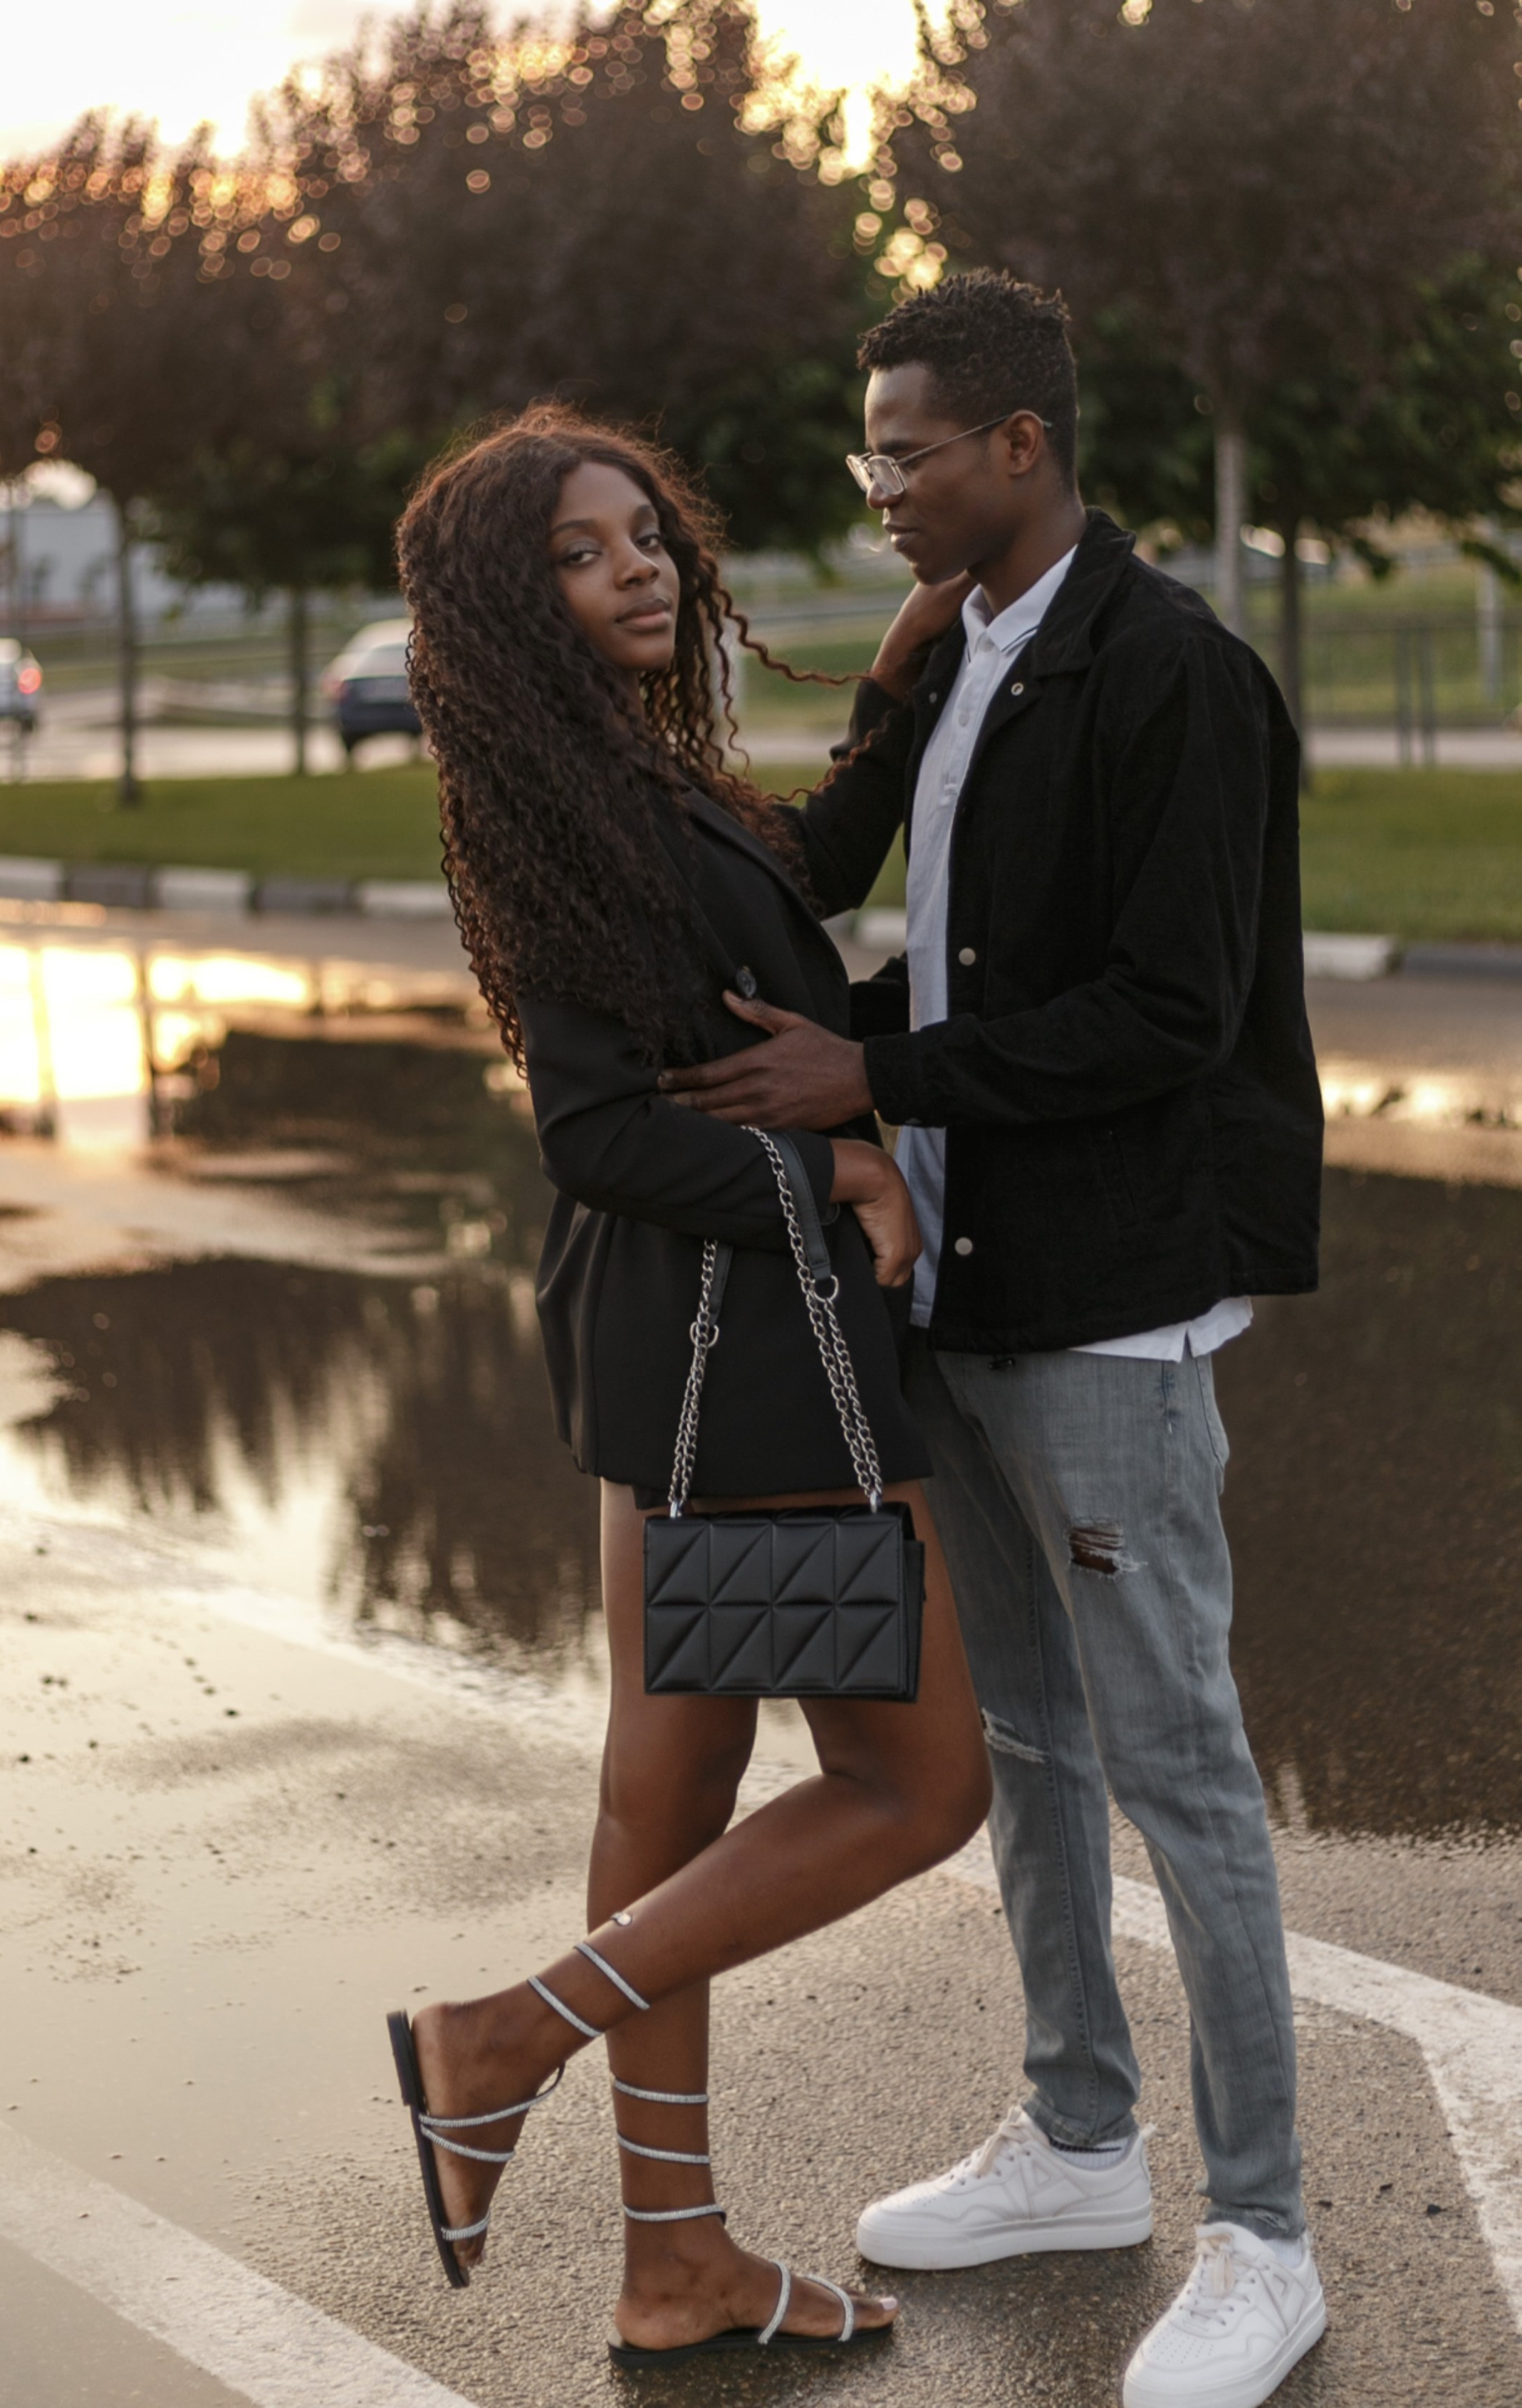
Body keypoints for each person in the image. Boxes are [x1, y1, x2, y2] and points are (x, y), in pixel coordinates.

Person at [660, 271, 1328, 2408]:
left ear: (1020, 447)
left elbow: (1171, 1014)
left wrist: (877, 1082)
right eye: (871, 453)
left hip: (1112, 1306)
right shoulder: (961, 658)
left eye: (906, 453)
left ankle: (1269, 2235)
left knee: (1182, 1773)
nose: (878, 488)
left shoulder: (1174, 677)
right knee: (1029, 1744)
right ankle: (1074, 2137)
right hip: (965, 1282)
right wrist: (874, 726)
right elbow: (869, 898)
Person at [386, 405, 992, 2369]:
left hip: (676, 1336)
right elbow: (589, 1130)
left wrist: (895, 695)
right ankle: (494, 2042)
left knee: (668, 1807)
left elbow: (784, 873)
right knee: (917, 1783)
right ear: (509, 606)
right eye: (583, 550)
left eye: (645, 532)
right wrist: (834, 1158)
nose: (638, 566)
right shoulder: (561, 807)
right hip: (748, 1342)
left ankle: (674, 2264)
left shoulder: (614, 785)